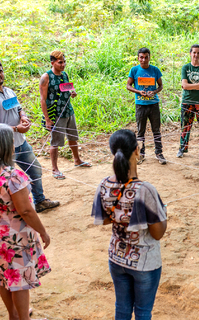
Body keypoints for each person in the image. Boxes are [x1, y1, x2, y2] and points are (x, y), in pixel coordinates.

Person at [91, 129, 167, 320]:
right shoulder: (145, 190)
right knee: (142, 312)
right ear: (137, 150)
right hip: (144, 261)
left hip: (116, 257)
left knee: (122, 309)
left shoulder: (103, 185)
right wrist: (162, 212)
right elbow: (158, 233)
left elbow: (106, 219)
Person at [0, 124, 51, 320]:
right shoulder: (12, 176)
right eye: (12, 142)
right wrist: (43, 232)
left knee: (4, 277)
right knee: (19, 280)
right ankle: (23, 318)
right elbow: (26, 210)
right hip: (16, 238)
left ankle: (13, 314)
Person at [0, 62, 59, 213]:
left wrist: (24, 117)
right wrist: (15, 128)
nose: (0, 75)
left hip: (20, 143)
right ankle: (13, 208)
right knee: (7, 178)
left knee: (35, 170)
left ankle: (39, 201)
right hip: (4, 147)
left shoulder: (8, 91)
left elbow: (19, 108)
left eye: (0, 71)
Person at [39, 50, 91, 180]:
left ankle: (77, 160)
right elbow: (42, 99)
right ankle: (54, 169)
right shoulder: (46, 77)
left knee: (73, 137)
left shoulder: (64, 75)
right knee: (55, 141)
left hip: (68, 111)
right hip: (56, 113)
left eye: (64, 62)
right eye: (60, 62)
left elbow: (68, 89)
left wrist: (72, 92)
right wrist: (47, 119)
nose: (63, 64)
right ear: (52, 62)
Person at [126, 47, 166, 165]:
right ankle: (141, 154)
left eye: (146, 57)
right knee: (140, 131)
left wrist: (154, 92)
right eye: (141, 57)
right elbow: (128, 85)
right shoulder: (134, 70)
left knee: (156, 130)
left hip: (153, 104)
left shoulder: (155, 70)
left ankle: (159, 153)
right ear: (138, 58)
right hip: (140, 105)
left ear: (149, 57)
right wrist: (139, 92)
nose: (143, 60)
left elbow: (160, 86)